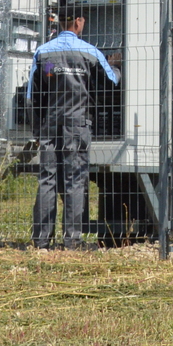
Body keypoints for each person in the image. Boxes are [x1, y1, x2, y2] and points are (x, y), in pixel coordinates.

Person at [27, 15, 119, 248]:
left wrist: (38, 130)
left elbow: (34, 94)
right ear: (78, 22)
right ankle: (72, 241)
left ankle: (42, 242)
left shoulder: (44, 53)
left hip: (50, 124)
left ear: (60, 23)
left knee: (47, 180)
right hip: (77, 124)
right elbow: (110, 83)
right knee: (74, 180)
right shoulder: (90, 53)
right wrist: (116, 66)